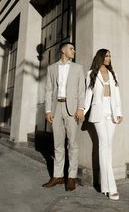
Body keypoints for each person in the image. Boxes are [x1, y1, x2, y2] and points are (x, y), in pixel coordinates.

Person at [42, 42, 85, 191]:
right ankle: (58, 176)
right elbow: (48, 90)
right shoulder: (51, 68)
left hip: (72, 109)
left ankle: (71, 177)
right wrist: (48, 110)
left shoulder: (78, 68)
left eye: (74, 48)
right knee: (58, 144)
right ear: (63, 50)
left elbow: (81, 90)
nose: (74, 50)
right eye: (71, 48)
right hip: (56, 108)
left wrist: (81, 108)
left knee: (72, 144)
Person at [84, 49, 123, 200]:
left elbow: (117, 95)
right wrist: (82, 109)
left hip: (111, 114)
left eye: (110, 56)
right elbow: (88, 95)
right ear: (100, 57)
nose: (109, 58)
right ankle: (111, 187)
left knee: (108, 148)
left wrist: (119, 112)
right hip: (98, 114)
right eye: (106, 56)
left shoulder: (113, 74)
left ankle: (105, 186)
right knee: (104, 145)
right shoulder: (91, 74)